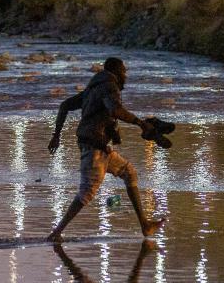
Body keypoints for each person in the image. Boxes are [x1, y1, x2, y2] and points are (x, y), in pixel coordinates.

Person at [47, 57, 165, 241]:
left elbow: (65, 106)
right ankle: (56, 233)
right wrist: (140, 123)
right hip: (94, 148)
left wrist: (56, 135)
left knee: (129, 173)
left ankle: (145, 224)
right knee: (86, 193)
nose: (126, 75)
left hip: (101, 147)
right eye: (124, 71)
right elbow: (115, 110)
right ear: (117, 71)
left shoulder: (92, 88)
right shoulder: (109, 86)